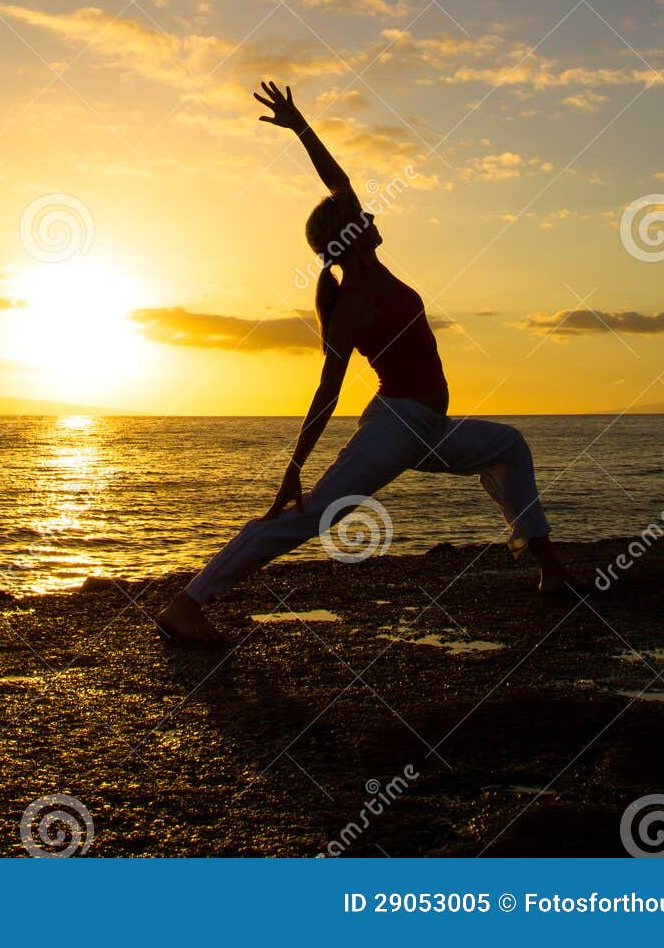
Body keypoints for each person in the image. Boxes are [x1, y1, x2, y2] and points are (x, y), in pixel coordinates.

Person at [157, 81, 588, 644]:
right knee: (313, 518)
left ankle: (550, 572)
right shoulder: (353, 303)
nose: (372, 212)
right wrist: (294, 468)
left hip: (429, 429)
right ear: (350, 234)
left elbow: (338, 181)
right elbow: (327, 392)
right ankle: (189, 603)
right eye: (359, 214)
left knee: (508, 445)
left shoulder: (374, 273)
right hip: (396, 426)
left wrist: (301, 126)